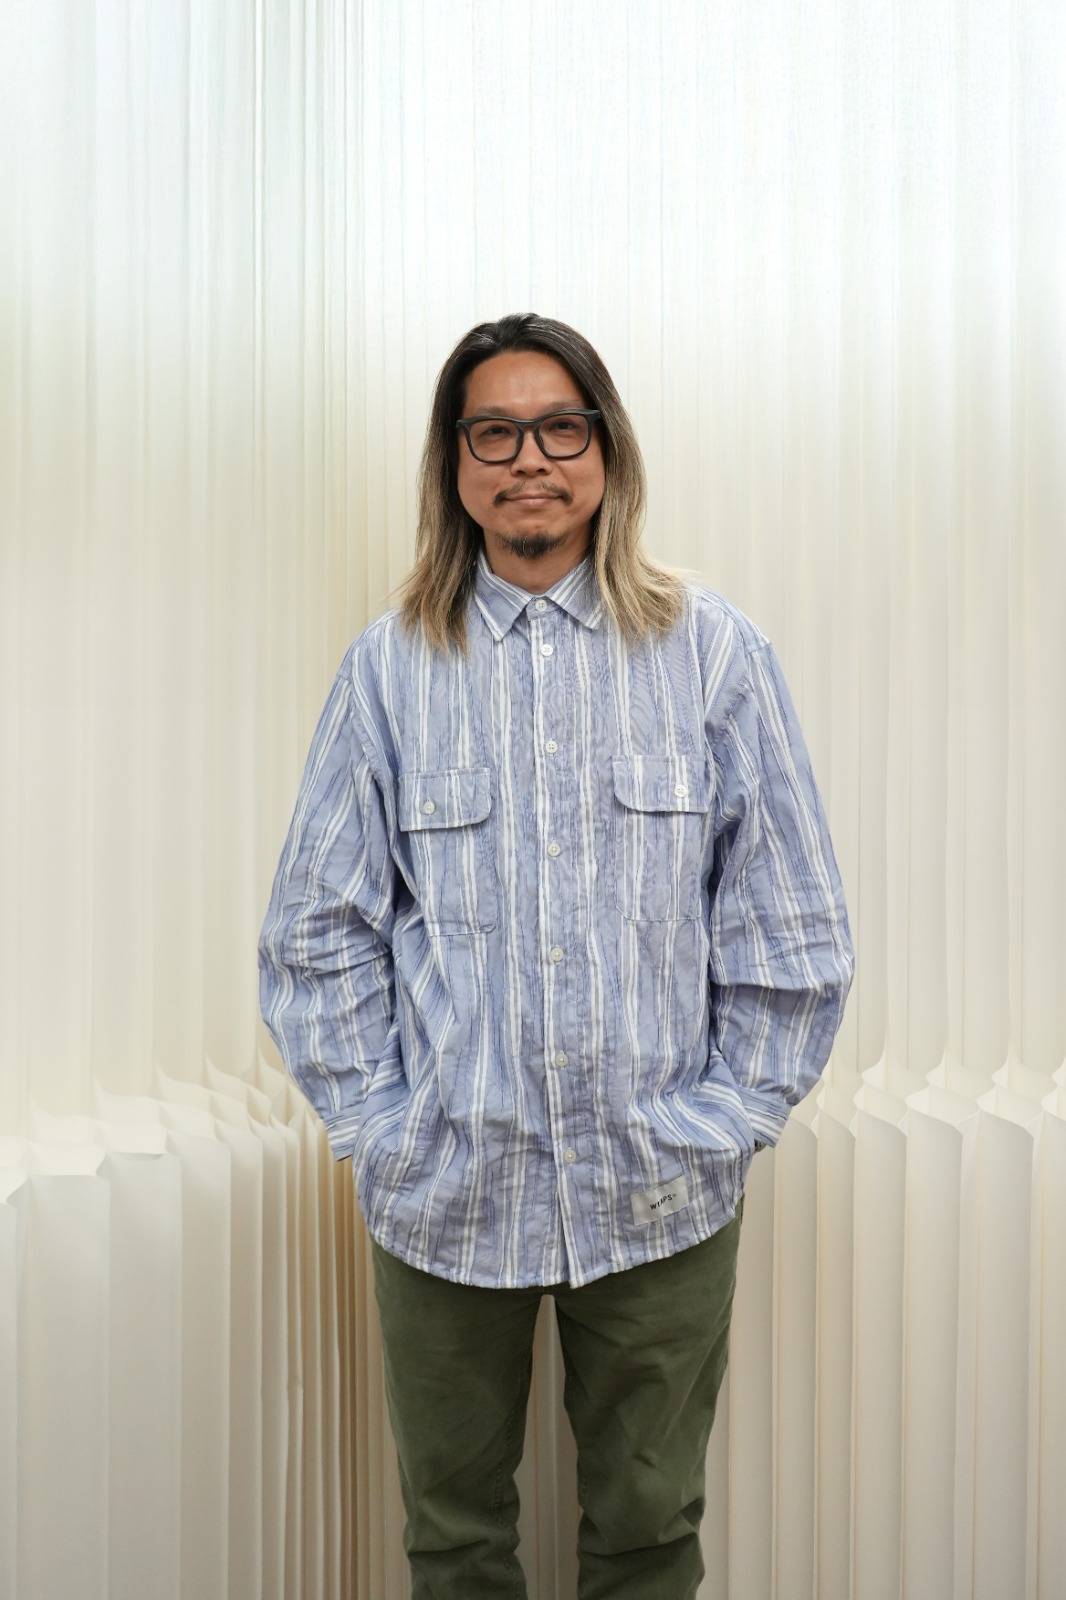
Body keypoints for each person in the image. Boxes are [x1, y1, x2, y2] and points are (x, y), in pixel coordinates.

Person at [257, 312, 855, 1599]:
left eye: (559, 427)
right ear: (454, 464)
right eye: (494, 431)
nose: (529, 458)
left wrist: (723, 1119)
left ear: (605, 451)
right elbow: (316, 927)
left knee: (648, 1534)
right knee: (453, 1541)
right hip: (444, 1197)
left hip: (659, 1195)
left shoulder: (712, 652)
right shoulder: (388, 670)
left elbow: (789, 917)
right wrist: (387, 1128)